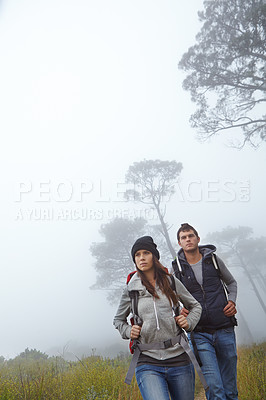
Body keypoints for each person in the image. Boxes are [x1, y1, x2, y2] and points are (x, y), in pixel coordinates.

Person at [113, 236, 202, 400]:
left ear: (154, 256)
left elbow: (195, 306)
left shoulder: (171, 282)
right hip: (147, 361)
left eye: (146, 253)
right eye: (137, 254)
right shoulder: (131, 289)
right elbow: (118, 320)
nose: (141, 257)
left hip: (179, 358)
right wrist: (127, 331)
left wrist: (189, 323)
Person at [172, 223, 238, 400]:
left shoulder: (213, 260)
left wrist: (232, 300)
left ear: (198, 239)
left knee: (230, 388)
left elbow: (231, 283)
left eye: (191, 236)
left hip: (224, 327)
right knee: (215, 388)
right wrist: (179, 309)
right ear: (179, 243)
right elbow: (172, 297)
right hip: (199, 333)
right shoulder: (176, 269)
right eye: (184, 237)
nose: (188, 239)